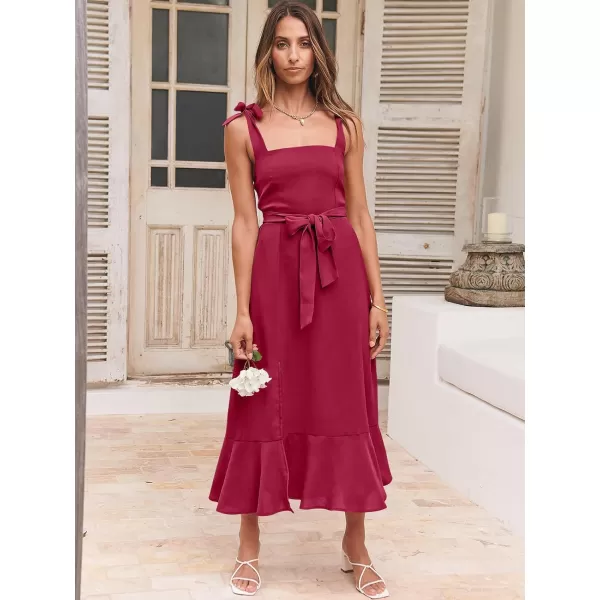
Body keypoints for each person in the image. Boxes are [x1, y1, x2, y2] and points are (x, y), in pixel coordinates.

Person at [209, 1, 392, 597]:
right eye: (282, 44)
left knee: (345, 401)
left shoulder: (345, 125)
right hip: (273, 276)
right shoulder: (243, 128)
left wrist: (378, 300)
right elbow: (244, 222)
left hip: (341, 280)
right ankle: (249, 543)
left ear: (319, 51)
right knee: (262, 398)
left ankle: (356, 541)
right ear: (268, 51)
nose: (293, 55)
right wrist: (242, 309)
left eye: (304, 43)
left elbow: (360, 216)